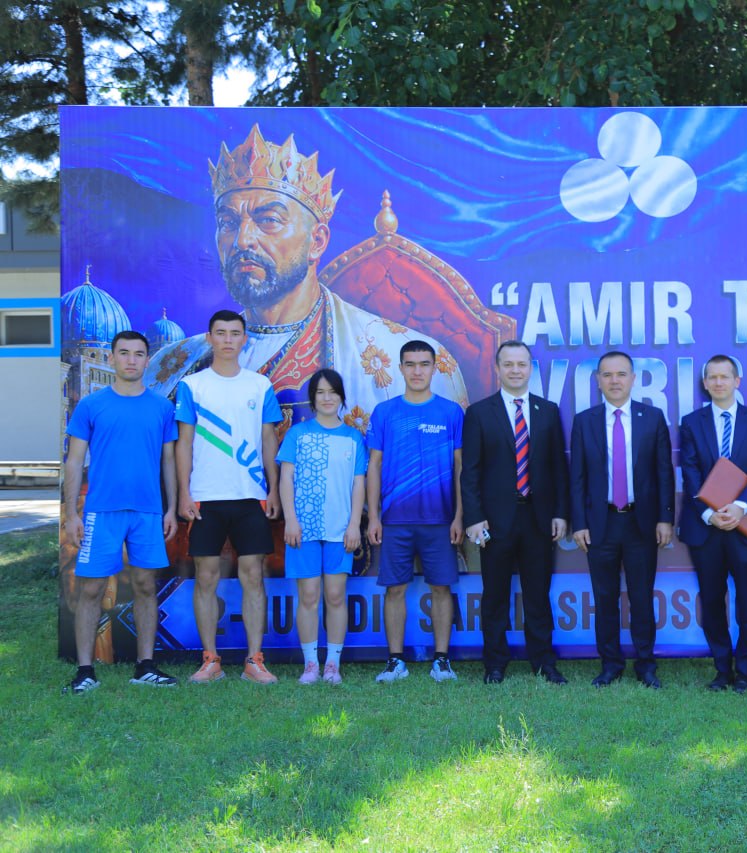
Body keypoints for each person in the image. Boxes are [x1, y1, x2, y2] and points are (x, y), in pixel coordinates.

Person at [145, 124, 466, 426]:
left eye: (269, 220)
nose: (243, 240)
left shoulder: (410, 363)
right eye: (228, 223)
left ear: (317, 241)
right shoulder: (171, 366)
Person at [63, 331, 179, 693]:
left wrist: (172, 508)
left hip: (147, 512)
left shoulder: (162, 407)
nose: (131, 360)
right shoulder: (91, 405)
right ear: (112, 358)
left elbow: (169, 461)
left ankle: (145, 667)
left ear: (147, 360)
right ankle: (85, 671)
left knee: (145, 585)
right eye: (124, 353)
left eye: (138, 354)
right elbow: (74, 460)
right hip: (102, 511)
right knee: (92, 588)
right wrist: (72, 513)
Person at [176, 310, 284, 684]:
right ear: (209, 338)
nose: (227, 340)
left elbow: (268, 439)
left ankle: (255, 661)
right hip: (205, 498)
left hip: (250, 496)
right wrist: (184, 492)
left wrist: (272, 488)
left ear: (244, 339)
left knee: (253, 576)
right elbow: (184, 443)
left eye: (234, 333)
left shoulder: (259, 385)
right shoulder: (192, 386)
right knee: (206, 577)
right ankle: (211, 661)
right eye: (220, 333)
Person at [462, 340, 570, 685]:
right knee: (495, 596)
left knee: (538, 595)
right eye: (508, 364)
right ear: (497, 369)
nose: (515, 370)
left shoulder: (548, 411)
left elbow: (558, 468)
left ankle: (544, 662)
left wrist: (560, 513)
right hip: (495, 522)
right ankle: (495, 663)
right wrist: (474, 517)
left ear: (530, 368)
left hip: (538, 519)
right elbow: (470, 472)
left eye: (521, 364)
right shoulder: (479, 413)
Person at [570, 351, 675, 689]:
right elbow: (577, 477)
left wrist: (665, 518)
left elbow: (664, 472)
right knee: (605, 598)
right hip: (600, 523)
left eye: (621, 374)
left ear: (633, 378)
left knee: (642, 597)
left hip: (640, 523)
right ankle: (610, 664)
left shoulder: (652, 418)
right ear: (598, 381)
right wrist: (578, 522)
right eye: (607, 375)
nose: (614, 381)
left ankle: (646, 665)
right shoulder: (584, 421)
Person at [366, 340, 465, 683]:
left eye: (424, 364)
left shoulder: (451, 413)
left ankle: (442, 660)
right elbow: (374, 465)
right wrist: (374, 516)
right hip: (395, 519)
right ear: (400, 368)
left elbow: (460, 468)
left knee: (441, 588)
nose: (417, 371)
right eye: (410, 364)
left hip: (440, 519)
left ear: (435, 368)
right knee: (394, 589)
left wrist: (459, 516)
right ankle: (395, 661)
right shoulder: (385, 412)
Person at [678, 355, 747, 693]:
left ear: (737, 381)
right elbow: (690, 471)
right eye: (712, 377)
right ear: (705, 383)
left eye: (725, 376)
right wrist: (709, 513)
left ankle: (745, 671)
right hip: (705, 526)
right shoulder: (692, 423)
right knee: (712, 598)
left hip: (745, 524)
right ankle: (722, 669)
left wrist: (740, 507)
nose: (718, 382)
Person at [278, 369, 367, 685]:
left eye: (333, 392)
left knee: (335, 595)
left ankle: (332, 664)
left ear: (341, 397)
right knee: (308, 595)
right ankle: (310, 665)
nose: (327, 398)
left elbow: (359, 484)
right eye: (320, 392)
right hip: (303, 530)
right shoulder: (298, 434)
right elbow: (286, 478)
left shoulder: (353, 438)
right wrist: (291, 519)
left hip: (340, 530)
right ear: (312, 398)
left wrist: (354, 525)